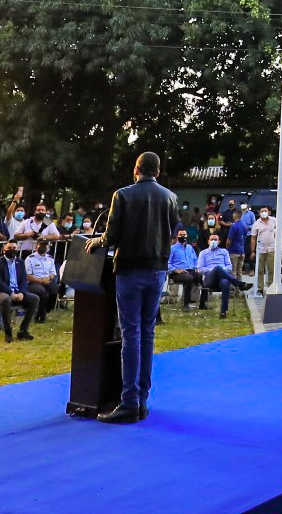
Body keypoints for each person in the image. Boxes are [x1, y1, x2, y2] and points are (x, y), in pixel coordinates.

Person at [98, 150, 175, 424]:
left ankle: (129, 402)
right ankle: (142, 400)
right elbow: (170, 232)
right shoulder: (170, 197)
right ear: (158, 171)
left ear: (136, 169)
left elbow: (111, 235)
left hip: (130, 270)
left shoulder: (123, 195)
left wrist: (97, 242)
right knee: (147, 333)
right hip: (157, 270)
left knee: (131, 334)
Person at [0, 240, 38, 341]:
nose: (12, 250)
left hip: (17, 291)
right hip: (1, 292)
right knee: (6, 299)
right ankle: (8, 332)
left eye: (14, 248)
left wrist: (22, 292)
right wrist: (11, 293)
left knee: (35, 298)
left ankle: (23, 330)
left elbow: (24, 280)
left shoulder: (20, 262)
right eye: (9, 248)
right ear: (4, 250)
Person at [195, 233, 241, 317]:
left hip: (221, 279)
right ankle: (238, 283)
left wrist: (220, 270)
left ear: (219, 242)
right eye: (211, 239)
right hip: (209, 279)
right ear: (208, 241)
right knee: (217, 268)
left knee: (225, 282)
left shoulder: (224, 252)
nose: (213, 241)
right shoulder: (203, 253)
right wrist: (214, 270)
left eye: (215, 240)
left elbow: (229, 266)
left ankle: (223, 311)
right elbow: (200, 269)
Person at [22, 239, 59, 319]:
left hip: (47, 280)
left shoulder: (50, 258)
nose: (43, 247)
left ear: (48, 247)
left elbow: (53, 273)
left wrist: (49, 278)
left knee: (55, 288)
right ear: (36, 246)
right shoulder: (30, 259)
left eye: (45, 245)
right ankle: (41, 316)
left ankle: (47, 309)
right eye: (41, 245)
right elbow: (28, 276)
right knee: (42, 292)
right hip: (34, 282)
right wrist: (41, 280)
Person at [166, 229, 200, 307]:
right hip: (177, 273)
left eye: (184, 235)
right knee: (189, 278)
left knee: (201, 276)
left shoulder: (190, 248)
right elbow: (168, 263)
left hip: (190, 270)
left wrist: (196, 267)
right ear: (177, 237)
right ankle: (186, 304)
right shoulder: (172, 248)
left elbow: (195, 259)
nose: (183, 236)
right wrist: (175, 270)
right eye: (181, 235)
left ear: (187, 236)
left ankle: (201, 302)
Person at [250, 209, 277, 297]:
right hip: (260, 249)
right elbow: (253, 238)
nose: (264, 212)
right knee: (260, 270)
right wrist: (252, 251)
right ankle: (260, 288)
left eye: (265, 211)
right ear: (259, 213)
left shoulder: (274, 220)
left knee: (271, 269)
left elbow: (280, 230)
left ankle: (270, 287)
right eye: (262, 211)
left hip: (271, 248)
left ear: (268, 212)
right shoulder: (256, 224)